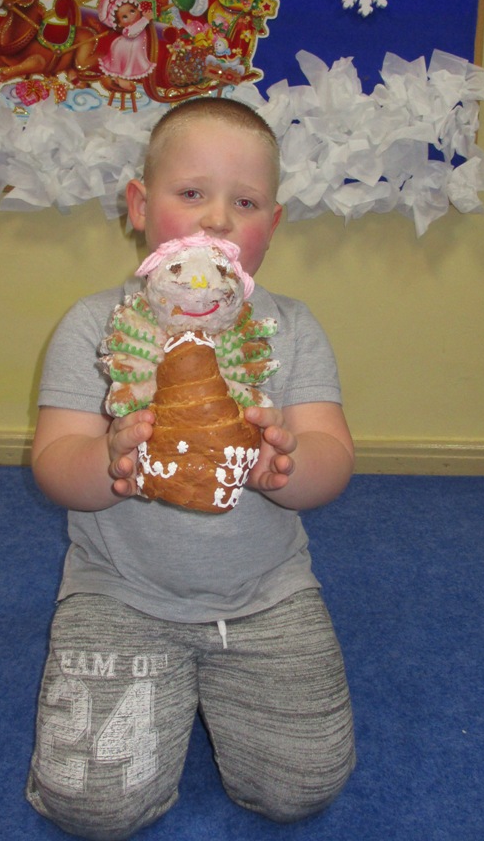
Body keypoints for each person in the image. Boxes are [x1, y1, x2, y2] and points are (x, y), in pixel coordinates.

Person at [26, 97, 356, 840]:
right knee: (93, 810)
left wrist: (285, 466)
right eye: (192, 193)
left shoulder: (290, 328)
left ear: (272, 224)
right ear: (140, 207)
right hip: (122, 591)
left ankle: (219, 695)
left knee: (300, 789)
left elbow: (333, 455)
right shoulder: (94, 324)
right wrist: (111, 462)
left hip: (264, 593)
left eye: (245, 203)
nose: (217, 220)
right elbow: (53, 461)